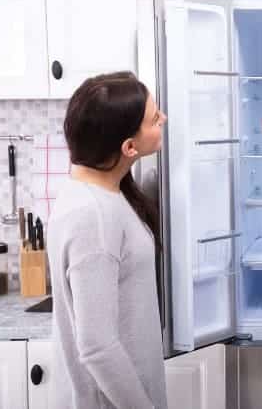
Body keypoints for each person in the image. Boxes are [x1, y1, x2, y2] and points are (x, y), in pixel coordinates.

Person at [48, 71, 168, 409]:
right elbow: (97, 346)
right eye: (155, 118)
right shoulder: (93, 217)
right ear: (129, 147)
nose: (164, 120)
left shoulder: (94, 193)